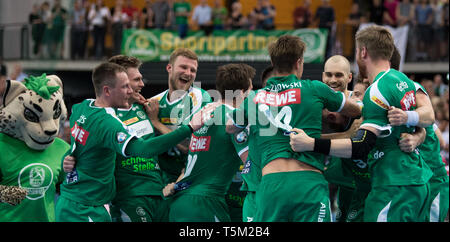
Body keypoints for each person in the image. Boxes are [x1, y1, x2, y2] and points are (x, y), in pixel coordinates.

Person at [289, 25, 436, 222]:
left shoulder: (375, 91)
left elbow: (361, 145)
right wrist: (413, 128)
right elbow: (417, 120)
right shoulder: (403, 80)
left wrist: (312, 143)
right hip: (412, 180)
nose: (333, 79)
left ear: (363, 52)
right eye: (329, 74)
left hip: (393, 182)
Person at [55, 62, 214, 222]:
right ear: (107, 90)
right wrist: (189, 127)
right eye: (126, 86)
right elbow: (142, 149)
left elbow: (80, 142)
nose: (132, 89)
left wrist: (68, 157)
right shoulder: (107, 123)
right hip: (88, 205)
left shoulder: (82, 107)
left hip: (89, 200)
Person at [226, 35, 361, 222]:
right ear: (299, 63)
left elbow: (230, 127)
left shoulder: (255, 97)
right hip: (308, 183)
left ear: (273, 63)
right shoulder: (314, 88)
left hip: (272, 186)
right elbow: (356, 110)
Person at [163, 63, 253, 222]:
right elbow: (251, 163)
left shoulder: (201, 113)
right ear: (240, 93)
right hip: (206, 204)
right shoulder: (236, 119)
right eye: (250, 91)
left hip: (179, 202)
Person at [151, 48, 212, 187]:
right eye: (183, 67)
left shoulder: (200, 97)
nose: (188, 73)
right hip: (161, 178)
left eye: (193, 70)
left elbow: (188, 146)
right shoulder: (154, 102)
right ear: (169, 68)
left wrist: (156, 123)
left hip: (191, 177)